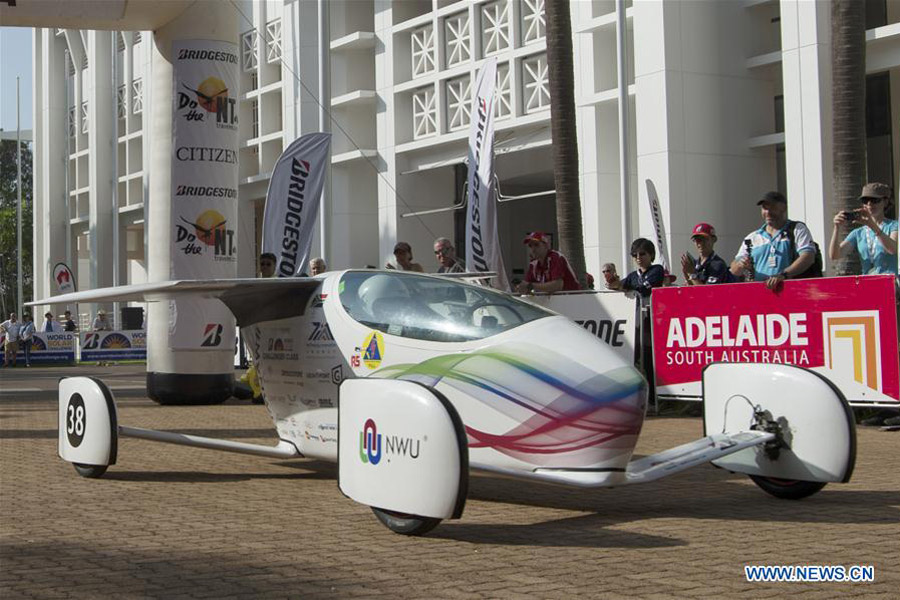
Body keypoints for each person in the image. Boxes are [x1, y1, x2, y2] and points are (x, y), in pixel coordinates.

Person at [730, 191, 817, 290]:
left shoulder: (797, 229)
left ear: (783, 208)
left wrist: (783, 275)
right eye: (764, 208)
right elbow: (734, 270)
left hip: (791, 292)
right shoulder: (752, 237)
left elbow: (808, 257)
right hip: (760, 294)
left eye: (772, 208)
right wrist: (740, 264)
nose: (768, 212)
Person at [829, 182, 898, 275]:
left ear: (885, 202)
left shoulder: (894, 225)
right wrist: (836, 228)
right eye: (865, 200)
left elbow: (892, 249)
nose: (869, 204)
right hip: (867, 282)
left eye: (874, 200)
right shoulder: (858, 233)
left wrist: (871, 225)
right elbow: (835, 255)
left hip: (889, 282)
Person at [515, 232, 581, 293]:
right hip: (554, 301)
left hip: (571, 299)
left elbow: (558, 285)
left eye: (536, 245)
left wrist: (530, 286)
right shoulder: (533, 264)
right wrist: (521, 288)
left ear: (546, 246)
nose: (533, 249)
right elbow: (527, 285)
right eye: (530, 246)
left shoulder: (555, 257)